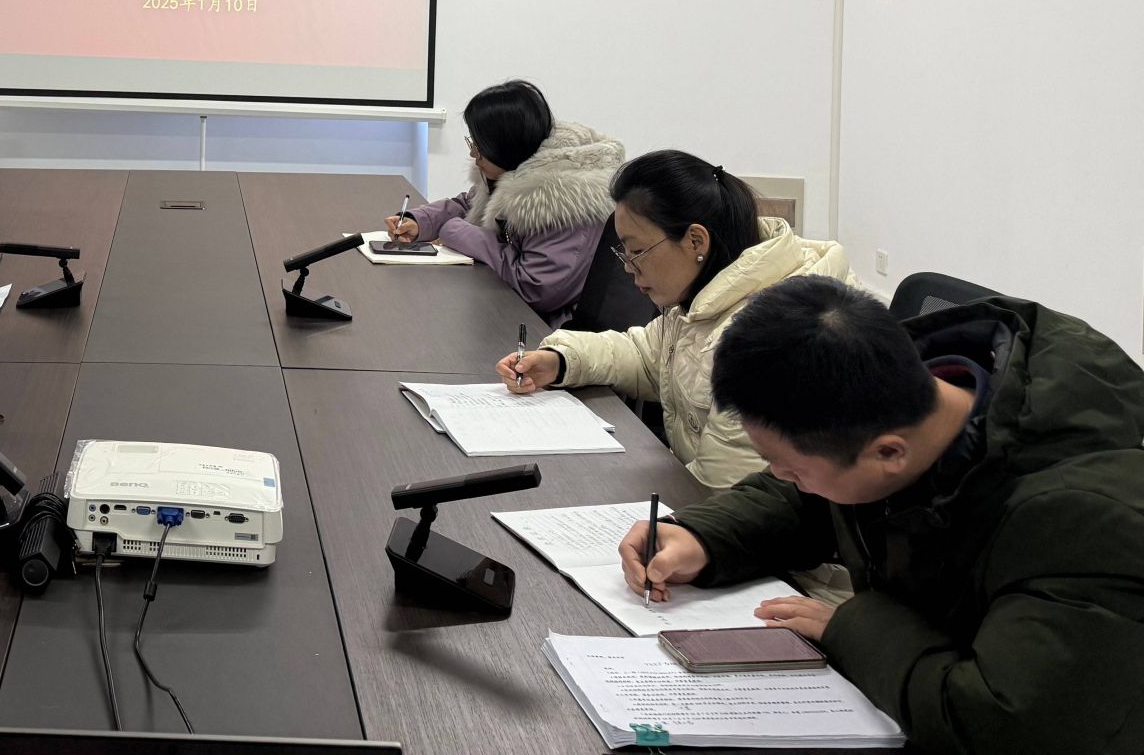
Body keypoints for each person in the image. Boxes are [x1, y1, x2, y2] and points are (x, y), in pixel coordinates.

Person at [618, 277, 1144, 755]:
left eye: (792, 468)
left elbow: (1004, 724)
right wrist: (703, 537)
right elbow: (818, 496)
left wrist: (854, 628)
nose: (780, 477)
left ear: (889, 453)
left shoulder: (1087, 527)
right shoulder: (895, 391)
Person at [495, 150, 859, 488]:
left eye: (637, 251)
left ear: (696, 241)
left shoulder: (771, 340)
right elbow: (644, 355)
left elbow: (724, 495)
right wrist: (560, 361)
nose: (628, 267)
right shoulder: (703, 298)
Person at [388, 80, 623, 328]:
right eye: (472, 142)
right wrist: (420, 221)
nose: (473, 154)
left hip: (550, 332)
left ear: (504, 145)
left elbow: (535, 288)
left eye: (478, 146)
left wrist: (453, 231)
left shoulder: (565, 201)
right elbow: (471, 203)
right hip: (508, 313)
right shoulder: (517, 164)